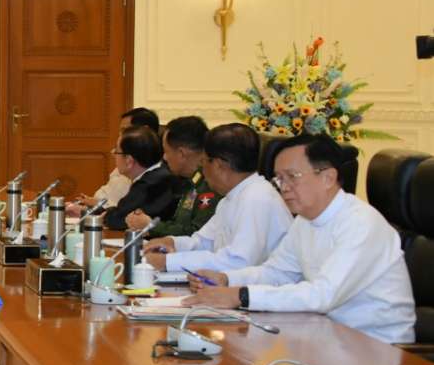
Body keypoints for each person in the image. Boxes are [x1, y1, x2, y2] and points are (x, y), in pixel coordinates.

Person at [185, 134, 416, 344]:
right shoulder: (305, 221)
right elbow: (277, 273)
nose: (284, 188)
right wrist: (226, 279)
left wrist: (240, 295)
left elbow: (323, 295)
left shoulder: (361, 224)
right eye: (279, 179)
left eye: (292, 177)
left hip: (376, 347)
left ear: (328, 177)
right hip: (326, 336)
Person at [143, 123, 292, 273]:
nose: (202, 169)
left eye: (204, 161)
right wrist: (172, 243)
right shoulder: (232, 197)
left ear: (219, 166)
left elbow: (238, 262)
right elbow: (204, 242)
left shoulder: (257, 198)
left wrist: (168, 262)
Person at [126, 116, 216, 240]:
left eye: (166, 151)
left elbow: (196, 234)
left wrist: (151, 226)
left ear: (181, 154)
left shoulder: (211, 183)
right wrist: (148, 224)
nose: (165, 157)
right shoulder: (191, 181)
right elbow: (179, 224)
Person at [70, 107, 159, 213]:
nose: (120, 135)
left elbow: (122, 214)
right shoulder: (126, 165)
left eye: (125, 130)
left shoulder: (149, 174)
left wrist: (95, 207)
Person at [96, 126, 179, 230]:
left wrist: (103, 215)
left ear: (129, 160)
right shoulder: (156, 175)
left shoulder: (151, 183)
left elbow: (119, 219)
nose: (113, 154)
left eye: (116, 151)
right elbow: (120, 212)